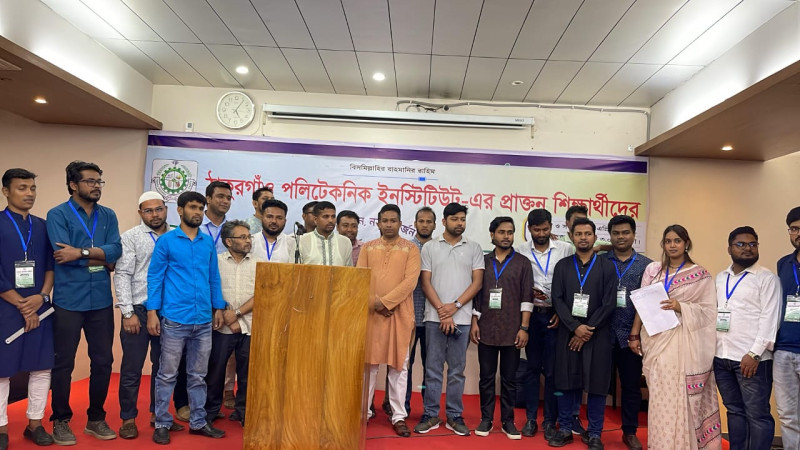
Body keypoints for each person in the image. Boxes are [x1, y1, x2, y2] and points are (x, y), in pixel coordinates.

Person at [46, 161, 121, 444]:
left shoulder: (108, 215)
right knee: (62, 363)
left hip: (100, 300)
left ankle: (96, 419)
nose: (96, 186)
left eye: (99, 181)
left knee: (103, 361)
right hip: (68, 300)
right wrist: (100, 258)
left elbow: (116, 250)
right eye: (90, 181)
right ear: (73, 184)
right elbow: (61, 255)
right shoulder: (57, 214)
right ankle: (60, 420)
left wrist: (82, 252)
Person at [629, 225, 721, 450]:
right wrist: (634, 334)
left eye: (677, 241)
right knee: (660, 398)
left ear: (686, 243)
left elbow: (709, 312)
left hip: (684, 345)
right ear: (663, 244)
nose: (672, 245)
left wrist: (681, 307)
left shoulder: (700, 275)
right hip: (656, 341)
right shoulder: (653, 270)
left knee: (680, 395)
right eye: (668, 241)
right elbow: (642, 305)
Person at [146, 191, 226, 445]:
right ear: (180, 210)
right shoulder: (167, 241)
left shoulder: (206, 243)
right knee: (167, 374)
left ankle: (198, 421)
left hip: (203, 320)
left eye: (201, 208)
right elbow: (155, 277)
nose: (198, 212)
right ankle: (162, 422)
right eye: (193, 207)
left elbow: (213, 277)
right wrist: (151, 312)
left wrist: (218, 307)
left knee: (198, 375)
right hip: (174, 319)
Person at [114, 192, 188, 439]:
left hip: (170, 311)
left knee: (165, 369)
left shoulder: (178, 234)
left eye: (159, 209)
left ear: (166, 209)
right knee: (132, 368)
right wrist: (127, 312)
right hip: (138, 310)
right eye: (148, 210)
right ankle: (128, 419)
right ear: (140, 213)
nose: (155, 215)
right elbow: (122, 274)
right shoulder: (131, 237)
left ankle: (159, 416)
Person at [414, 203, 484, 436]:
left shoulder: (474, 248)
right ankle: (431, 414)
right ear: (444, 222)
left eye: (462, 219)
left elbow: (477, 283)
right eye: (454, 219)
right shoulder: (430, 247)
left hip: (461, 318)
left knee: (456, 371)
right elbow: (425, 282)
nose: (459, 223)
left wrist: (455, 307)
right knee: (432, 369)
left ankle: (454, 415)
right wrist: (442, 311)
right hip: (434, 318)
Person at [549, 217, 616, 449]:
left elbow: (609, 303)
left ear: (595, 237)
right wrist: (575, 327)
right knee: (566, 382)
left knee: (597, 384)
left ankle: (595, 433)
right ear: (571, 237)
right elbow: (557, 299)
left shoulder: (607, 267)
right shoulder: (563, 266)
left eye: (588, 234)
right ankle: (565, 429)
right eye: (578, 234)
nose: (583, 238)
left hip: (598, 335)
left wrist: (586, 330)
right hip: (568, 334)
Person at [0, 168, 55, 448]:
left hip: (39, 305)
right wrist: (22, 306)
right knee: (2, 369)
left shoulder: (42, 226)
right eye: (22, 188)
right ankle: (1, 429)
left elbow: (51, 266)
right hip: (6, 307)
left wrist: (42, 297)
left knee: (41, 366)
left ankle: (35, 425)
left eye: (32, 188)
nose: (29, 193)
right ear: (6, 191)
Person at [713, 226, 779, 450]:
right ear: (729, 248)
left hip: (752, 360)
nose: (747, 248)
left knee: (757, 415)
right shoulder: (721, 278)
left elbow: (770, 318)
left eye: (753, 244)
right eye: (741, 244)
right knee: (734, 411)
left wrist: (754, 353)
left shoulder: (766, 278)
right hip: (722, 357)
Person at [360, 204, 421, 438]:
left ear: (400, 223)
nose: (388, 224)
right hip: (372, 314)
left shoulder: (410, 249)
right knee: (369, 366)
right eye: (384, 220)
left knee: (399, 367)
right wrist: (376, 303)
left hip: (399, 314)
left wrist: (385, 303)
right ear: (378, 223)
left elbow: (410, 281)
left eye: (393, 220)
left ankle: (398, 416)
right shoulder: (367, 248)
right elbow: (360, 277)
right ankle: (363, 413)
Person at [470, 217, 532, 440]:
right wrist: (474, 322)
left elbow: (527, 297)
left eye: (510, 232)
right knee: (486, 378)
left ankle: (508, 421)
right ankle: (486, 419)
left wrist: (524, 328)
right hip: (486, 328)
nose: (506, 236)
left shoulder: (523, 263)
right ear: (492, 234)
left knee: (509, 379)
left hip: (512, 330)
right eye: (502, 232)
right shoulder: (483, 261)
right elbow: (477, 295)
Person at [516, 208, 573, 440]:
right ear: (529, 229)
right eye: (537, 229)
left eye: (545, 229)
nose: (541, 233)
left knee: (551, 372)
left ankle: (549, 420)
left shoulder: (565, 249)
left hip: (555, 317)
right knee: (532, 369)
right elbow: (516, 283)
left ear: (551, 227)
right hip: (531, 316)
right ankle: (531, 419)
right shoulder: (520, 251)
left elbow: (572, 283)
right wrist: (527, 291)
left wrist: (562, 312)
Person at [205, 221, 259, 427]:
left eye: (249, 237)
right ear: (228, 241)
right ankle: (211, 411)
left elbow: (261, 294)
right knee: (216, 370)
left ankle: (243, 412)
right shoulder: (216, 262)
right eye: (242, 237)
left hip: (250, 326)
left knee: (247, 373)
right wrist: (224, 313)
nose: (248, 241)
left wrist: (236, 314)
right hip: (222, 326)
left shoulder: (258, 263)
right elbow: (211, 289)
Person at [606, 215, 651, 450]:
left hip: (631, 336)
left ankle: (630, 431)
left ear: (634, 235)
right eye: (616, 233)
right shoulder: (600, 261)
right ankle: (592, 430)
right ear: (610, 236)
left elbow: (649, 303)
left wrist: (636, 332)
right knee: (595, 383)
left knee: (631, 385)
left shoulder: (648, 266)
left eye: (625, 232)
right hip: (602, 333)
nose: (621, 237)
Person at [404, 207, 436, 414]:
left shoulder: (439, 249)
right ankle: (402, 406)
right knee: (404, 365)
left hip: (433, 317)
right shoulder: (406, 248)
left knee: (431, 367)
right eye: (421, 221)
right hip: (408, 317)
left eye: (429, 221)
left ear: (435, 225)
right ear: (415, 224)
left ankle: (429, 410)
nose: (425, 225)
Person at [775, 206, 800, 449]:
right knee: (788, 414)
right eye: (794, 228)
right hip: (783, 350)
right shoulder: (783, 264)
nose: (798, 233)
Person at [298, 201, 352, 266]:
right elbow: (293, 269)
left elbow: (349, 270)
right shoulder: (301, 241)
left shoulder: (345, 242)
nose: (330, 220)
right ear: (315, 220)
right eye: (326, 216)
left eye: (333, 216)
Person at [250, 199, 294, 263]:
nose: (274, 221)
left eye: (279, 218)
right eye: (269, 217)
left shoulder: (292, 244)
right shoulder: (251, 242)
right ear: (262, 218)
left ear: (285, 221)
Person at [201, 181, 231, 254]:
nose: (226, 201)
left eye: (228, 198)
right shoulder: (195, 226)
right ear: (208, 199)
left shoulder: (233, 228)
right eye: (220, 196)